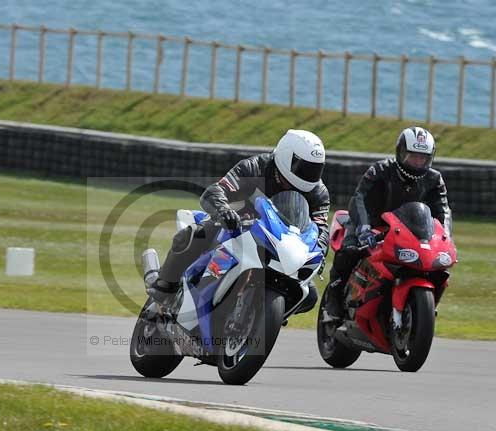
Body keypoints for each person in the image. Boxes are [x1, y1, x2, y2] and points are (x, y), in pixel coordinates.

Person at [148, 129, 331, 312]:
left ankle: (259, 317)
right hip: (236, 226)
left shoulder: (318, 193)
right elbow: (215, 191)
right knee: (195, 234)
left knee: (309, 296)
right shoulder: (256, 167)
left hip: (281, 246)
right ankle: (165, 288)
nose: (309, 175)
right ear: (285, 155)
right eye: (303, 167)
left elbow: (321, 230)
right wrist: (224, 211)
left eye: (315, 170)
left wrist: (320, 252)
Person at [325, 126, 452, 318]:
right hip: (370, 224)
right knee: (349, 251)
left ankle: (421, 309)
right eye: (412, 156)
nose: (417, 162)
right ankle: (333, 299)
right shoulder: (380, 170)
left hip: (407, 231)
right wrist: (364, 228)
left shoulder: (434, 179)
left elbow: (442, 210)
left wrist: (445, 236)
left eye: (422, 158)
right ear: (401, 153)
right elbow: (360, 197)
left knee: (435, 266)